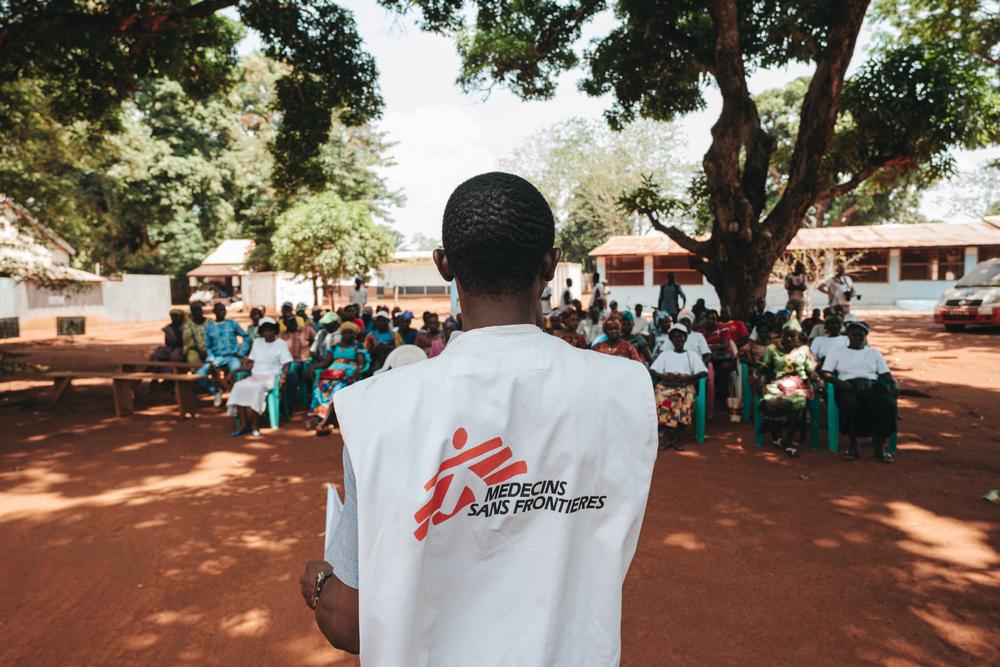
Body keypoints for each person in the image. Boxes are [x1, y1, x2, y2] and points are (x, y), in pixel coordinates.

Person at [298, 172, 656, 663]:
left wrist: (319, 582)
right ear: (550, 265)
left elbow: (350, 624)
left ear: (444, 266)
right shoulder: (624, 390)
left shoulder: (376, 410)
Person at [821, 321, 898, 463]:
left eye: (860, 335)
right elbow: (825, 373)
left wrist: (893, 384)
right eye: (853, 335)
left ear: (866, 336)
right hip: (848, 386)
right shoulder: (837, 352)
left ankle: (879, 447)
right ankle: (853, 445)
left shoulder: (874, 353)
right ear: (848, 336)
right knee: (850, 405)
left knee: (889, 405)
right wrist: (839, 382)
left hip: (872, 386)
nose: (857, 338)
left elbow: (885, 374)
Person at [755, 320, 818, 458]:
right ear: (781, 335)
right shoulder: (772, 349)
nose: (789, 339)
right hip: (778, 384)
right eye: (786, 335)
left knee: (798, 401)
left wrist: (817, 380)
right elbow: (762, 369)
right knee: (770, 398)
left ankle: (787, 441)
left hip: (798, 385)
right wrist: (758, 379)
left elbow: (811, 371)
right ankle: (776, 437)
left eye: (793, 336)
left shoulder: (804, 350)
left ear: (799, 336)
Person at [228, 318, 291, 437]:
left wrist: (283, 377)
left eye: (270, 330)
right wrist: (237, 370)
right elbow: (251, 362)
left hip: (271, 377)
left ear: (275, 331)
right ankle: (244, 424)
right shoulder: (257, 342)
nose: (268, 333)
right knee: (238, 386)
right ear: (261, 332)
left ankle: (254, 425)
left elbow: (286, 363)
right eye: (265, 331)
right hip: (255, 376)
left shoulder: (280, 343)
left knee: (256, 389)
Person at [649, 323, 708, 451]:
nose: (678, 339)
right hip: (667, 384)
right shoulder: (666, 354)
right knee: (659, 396)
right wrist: (664, 377)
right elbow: (652, 370)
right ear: (671, 339)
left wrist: (686, 379)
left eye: (681, 336)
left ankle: (677, 436)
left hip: (684, 384)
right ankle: (667, 436)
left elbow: (703, 372)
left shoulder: (691, 355)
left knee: (685, 399)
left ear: (685, 338)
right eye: (675, 337)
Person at [309, 322, 370, 436]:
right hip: (332, 372)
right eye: (345, 332)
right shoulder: (335, 347)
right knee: (319, 390)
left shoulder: (358, 347)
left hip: (348, 373)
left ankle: (325, 422)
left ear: (355, 335)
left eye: (350, 333)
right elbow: (326, 362)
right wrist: (313, 367)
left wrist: (359, 369)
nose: (348, 335)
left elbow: (361, 363)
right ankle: (322, 417)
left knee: (337, 391)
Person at [198, 302, 249, 407]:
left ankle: (234, 401)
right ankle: (216, 391)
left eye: (224, 310)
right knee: (200, 374)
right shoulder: (209, 327)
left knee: (236, 371)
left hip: (232, 356)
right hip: (217, 358)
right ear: (214, 312)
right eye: (220, 310)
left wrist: (241, 352)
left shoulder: (232, 323)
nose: (222, 312)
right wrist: (211, 359)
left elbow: (246, 337)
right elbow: (208, 346)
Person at [280, 313, 316, 413]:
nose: (292, 323)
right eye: (288, 322)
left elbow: (317, 341)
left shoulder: (307, 330)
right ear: (285, 323)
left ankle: (307, 403)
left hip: (306, 360)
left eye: (293, 320)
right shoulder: (282, 335)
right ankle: (288, 404)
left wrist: (311, 351)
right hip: (289, 362)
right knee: (290, 374)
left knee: (296, 373)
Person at [364, 309, 402, 373]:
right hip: (377, 361)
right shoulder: (371, 335)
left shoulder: (394, 335)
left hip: (391, 360)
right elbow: (366, 350)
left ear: (387, 321)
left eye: (383, 320)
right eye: (378, 320)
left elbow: (399, 349)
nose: (380, 322)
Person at [182, 301, 209, 365]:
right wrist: (200, 350)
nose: (198, 312)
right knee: (193, 358)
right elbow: (188, 341)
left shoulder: (210, 322)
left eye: (199, 310)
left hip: (209, 348)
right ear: (192, 313)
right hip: (194, 349)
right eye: (195, 311)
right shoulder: (188, 325)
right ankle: (198, 374)